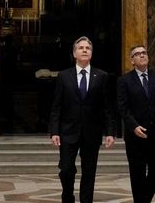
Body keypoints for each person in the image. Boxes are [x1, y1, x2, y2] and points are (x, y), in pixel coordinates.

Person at [49, 36, 115, 203]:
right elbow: (56, 105)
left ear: (91, 54)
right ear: (74, 53)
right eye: (81, 48)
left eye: (88, 48)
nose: (85, 50)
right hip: (68, 131)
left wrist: (110, 132)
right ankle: (67, 197)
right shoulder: (64, 76)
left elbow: (107, 107)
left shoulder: (101, 76)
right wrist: (54, 131)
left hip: (92, 131)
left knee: (89, 172)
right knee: (66, 169)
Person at [117, 45, 155, 203]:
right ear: (132, 60)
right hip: (136, 135)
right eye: (137, 54)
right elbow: (123, 108)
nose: (142, 55)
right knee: (137, 173)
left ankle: (144, 199)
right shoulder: (124, 81)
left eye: (144, 53)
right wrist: (133, 126)